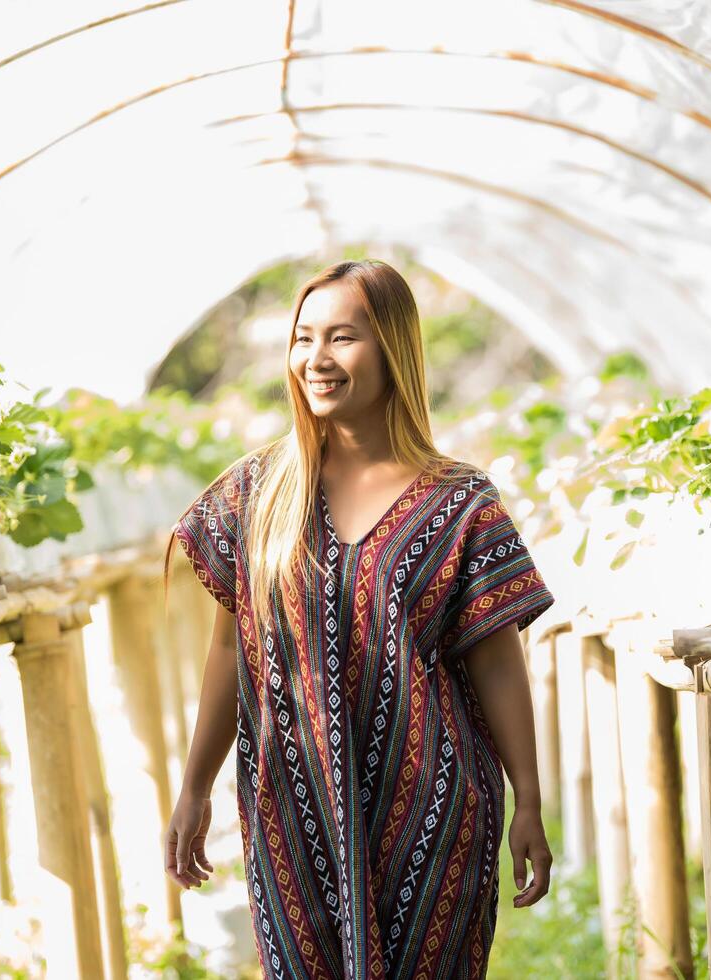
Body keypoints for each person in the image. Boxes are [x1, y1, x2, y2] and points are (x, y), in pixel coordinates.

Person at [163, 258, 556, 979]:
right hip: (290, 809)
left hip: (434, 811)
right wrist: (193, 789)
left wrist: (527, 796)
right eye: (303, 337)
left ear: (392, 350)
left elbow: (498, 660)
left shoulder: (460, 503)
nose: (316, 358)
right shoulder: (255, 495)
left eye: (342, 338)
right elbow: (229, 652)